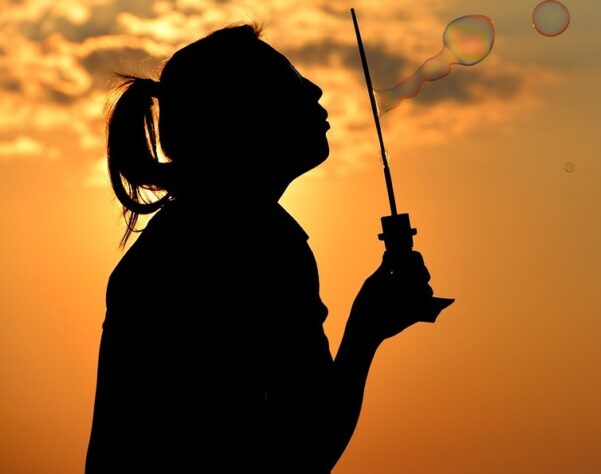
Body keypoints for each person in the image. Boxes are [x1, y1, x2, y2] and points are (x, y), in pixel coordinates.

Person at [85, 24, 451, 473]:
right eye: (290, 81)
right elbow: (303, 450)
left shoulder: (183, 237)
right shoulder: (255, 245)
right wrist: (365, 330)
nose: (315, 89)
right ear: (242, 119)